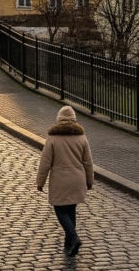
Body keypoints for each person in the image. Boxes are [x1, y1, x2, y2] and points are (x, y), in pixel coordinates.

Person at [36, 105, 94, 256]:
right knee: (71, 210)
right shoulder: (82, 137)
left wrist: (40, 182)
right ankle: (69, 244)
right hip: (77, 180)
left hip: (60, 180)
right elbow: (88, 162)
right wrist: (89, 180)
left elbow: (45, 163)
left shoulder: (53, 138)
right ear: (74, 119)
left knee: (60, 209)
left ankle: (74, 238)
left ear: (59, 119)